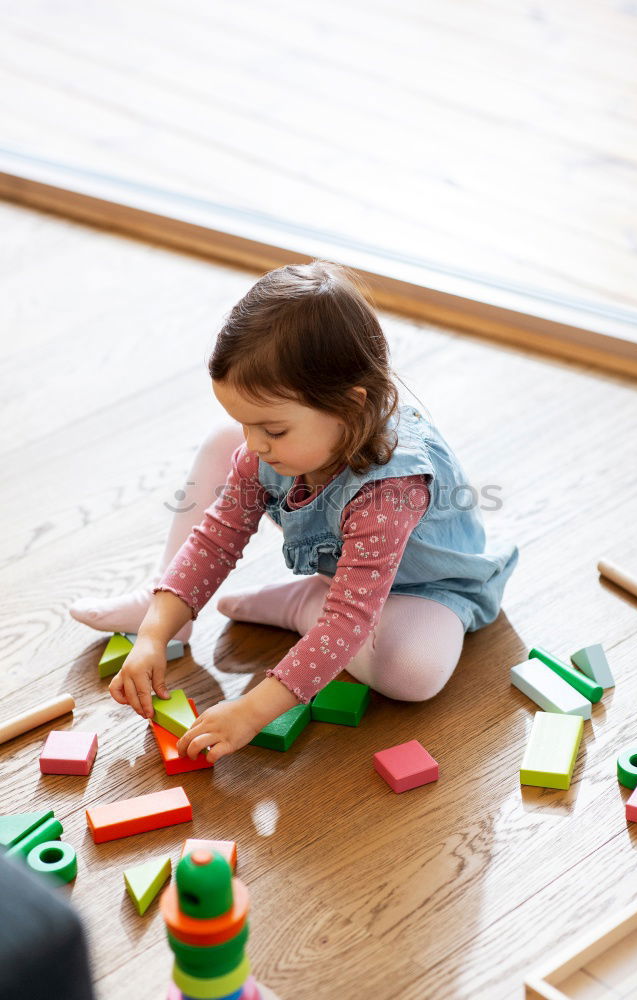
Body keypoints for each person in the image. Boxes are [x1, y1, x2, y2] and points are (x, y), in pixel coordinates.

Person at [70, 261, 519, 763]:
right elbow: (216, 539)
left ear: (352, 406)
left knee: (413, 673)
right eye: (246, 424)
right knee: (221, 448)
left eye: (274, 430)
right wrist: (154, 633)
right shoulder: (273, 447)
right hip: (348, 566)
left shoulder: (389, 492)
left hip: (421, 590)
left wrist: (252, 710)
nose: (256, 444)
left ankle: (304, 605)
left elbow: (349, 620)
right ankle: (167, 605)